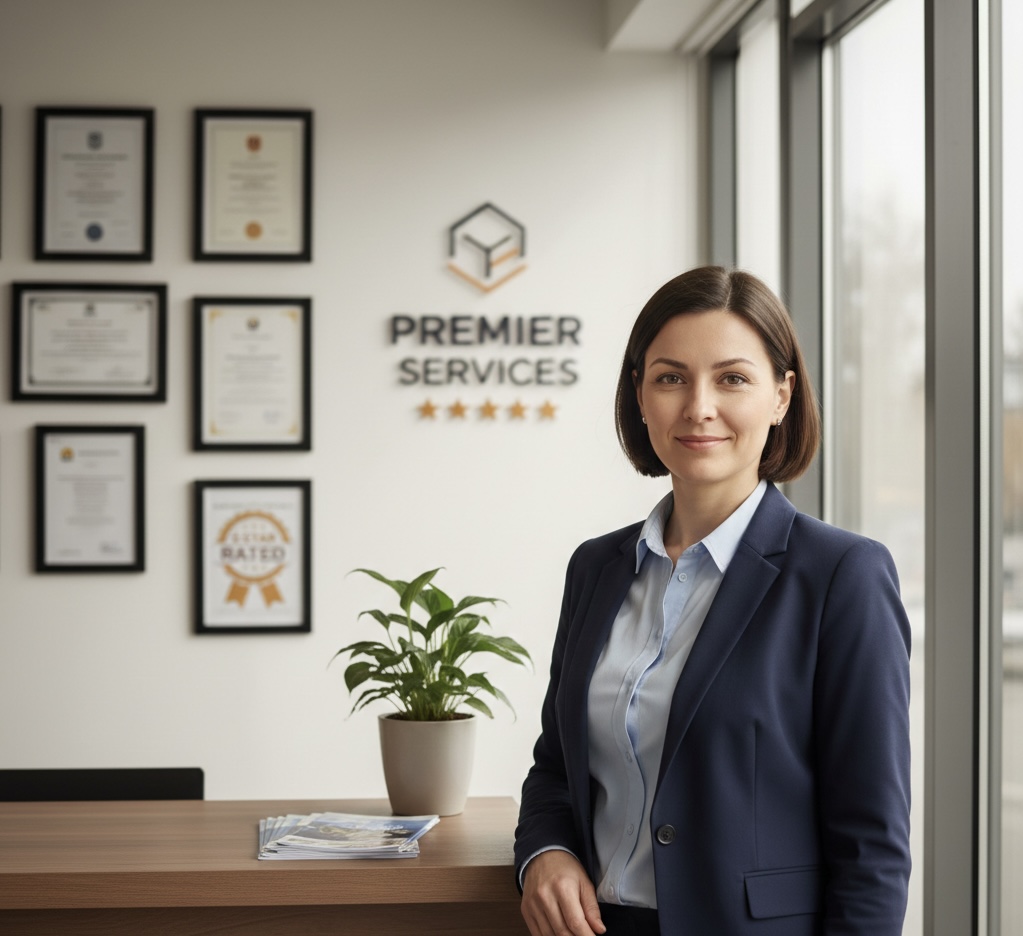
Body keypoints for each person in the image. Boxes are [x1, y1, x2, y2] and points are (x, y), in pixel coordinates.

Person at [514, 266, 911, 936]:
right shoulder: (596, 568)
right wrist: (544, 853)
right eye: (670, 377)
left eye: (731, 378)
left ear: (781, 396)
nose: (698, 406)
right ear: (639, 395)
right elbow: (556, 764)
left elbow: (870, 846)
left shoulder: (842, 575)